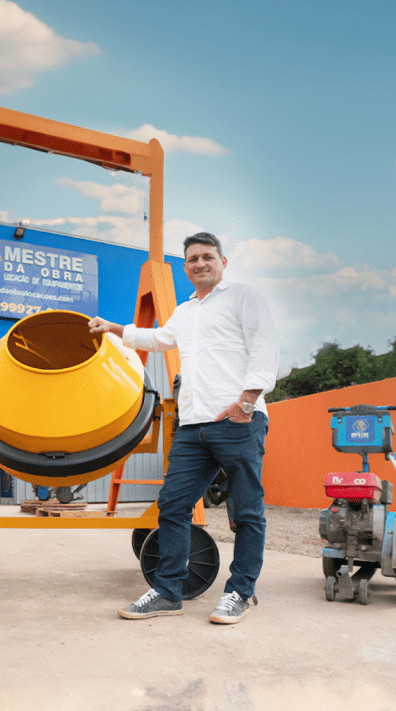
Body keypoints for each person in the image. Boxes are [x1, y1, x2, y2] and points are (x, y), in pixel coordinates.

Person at [88, 232, 279, 624]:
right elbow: (157, 339)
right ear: (186, 267)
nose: (199, 264)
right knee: (173, 506)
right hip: (194, 427)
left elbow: (264, 348)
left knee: (245, 512)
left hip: (237, 420)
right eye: (192, 259)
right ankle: (167, 590)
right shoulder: (186, 311)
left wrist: (246, 402)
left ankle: (240, 592)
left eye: (207, 257)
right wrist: (112, 327)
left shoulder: (244, 297)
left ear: (223, 262)